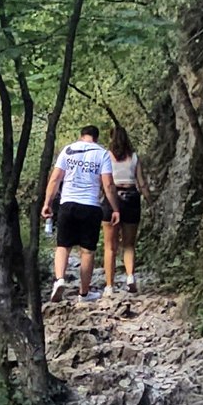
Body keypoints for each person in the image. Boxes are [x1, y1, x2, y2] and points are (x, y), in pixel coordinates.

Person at [42, 125, 120, 302]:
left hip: (67, 204)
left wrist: (47, 203)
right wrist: (115, 208)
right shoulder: (102, 153)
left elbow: (55, 179)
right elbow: (108, 185)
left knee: (63, 245)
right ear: (96, 138)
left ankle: (60, 279)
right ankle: (83, 294)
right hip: (90, 206)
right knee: (87, 251)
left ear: (81, 136)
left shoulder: (68, 150)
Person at [101, 126, 154, 295]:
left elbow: (103, 182)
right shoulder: (134, 157)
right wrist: (150, 200)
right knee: (129, 244)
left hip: (112, 199)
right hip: (131, 198)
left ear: (111, 138)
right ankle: (130, 277)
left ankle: (109, 286)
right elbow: (142, 183)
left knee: (110, 247)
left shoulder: (105, 156)